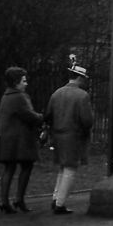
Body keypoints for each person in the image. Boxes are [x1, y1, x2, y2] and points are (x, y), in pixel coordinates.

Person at [0, 67, 44, 214]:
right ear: (16, 82)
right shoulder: (20, 97)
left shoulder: (6, 96)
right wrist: (42, 117)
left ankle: (4, 201)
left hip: (7, 137)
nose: (26, 84)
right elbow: (29, 115)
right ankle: (19, 199)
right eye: (24, 81)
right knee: (27, 166)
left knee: (9, 168)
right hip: (20, 139)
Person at [45, 64, 94, 214]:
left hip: (58, 135)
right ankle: (60, 203)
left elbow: (48, 115)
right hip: (74, 136)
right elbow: (87, 121)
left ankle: (56, 198)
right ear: (79, 78)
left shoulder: (56, 93)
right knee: (70, 169)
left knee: (62, 168)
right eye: (84, 78)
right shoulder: (82, 95)